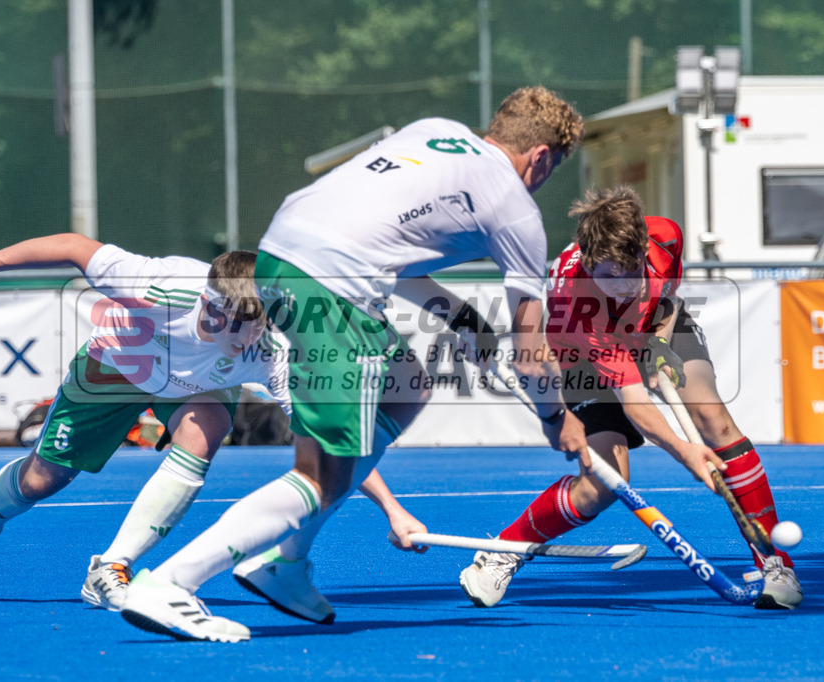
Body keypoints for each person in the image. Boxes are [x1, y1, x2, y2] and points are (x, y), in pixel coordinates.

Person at [118, 85, 592, 642]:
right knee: (320, 477)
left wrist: (464, 319)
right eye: (552, 168)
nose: (545, 178)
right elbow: (533, 359)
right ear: (540, 155)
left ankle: (284, 562)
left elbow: (393, 255)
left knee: (407, 386)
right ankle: (171, 583)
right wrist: (558, 418)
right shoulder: (516, 209)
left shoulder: (435, 133)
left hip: (280, 258)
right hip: (329, 288)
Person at [0, 234, 424, 613]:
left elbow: (327, 444)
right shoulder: (160, 285)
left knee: (205, 431)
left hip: (200, 388)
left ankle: (110, 568)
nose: (257, 335)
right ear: (213, 304)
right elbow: (74, 247)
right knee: (42, 478)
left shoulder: (274, 347)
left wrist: (393, 510)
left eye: (264, 321)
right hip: (118, 366)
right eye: (247, 322)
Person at [458, 185, 803, 611]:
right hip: (582, 357)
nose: (622, 286)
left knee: (713, 419)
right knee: (600, 486)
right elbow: (635, 403)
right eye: (609, 275)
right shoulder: (576, 300)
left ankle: (775, 562)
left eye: (631, 271)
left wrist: (657, 340)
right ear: (588, 264)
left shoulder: (665, 238)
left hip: (650, 326)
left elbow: (668, 298)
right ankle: (505, 549)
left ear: (643, 250)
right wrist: (683, 451)